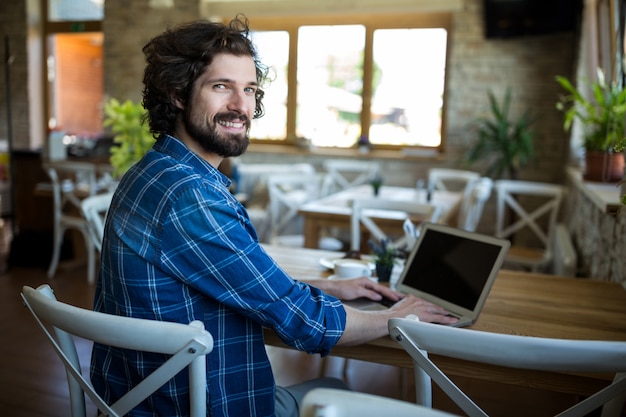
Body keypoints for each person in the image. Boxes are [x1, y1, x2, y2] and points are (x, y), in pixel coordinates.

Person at [90, 16, 457, 417]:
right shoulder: (190, 195)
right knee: (335, 391)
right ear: (177, 94)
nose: (241, 105)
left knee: (330, 385)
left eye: (249, 89)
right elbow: (303, 322)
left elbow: (219, 281)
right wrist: (396, 318)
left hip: (141, 402)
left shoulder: (153, 171)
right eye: (221, 87)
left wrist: (323, 286)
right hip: (202, 406)